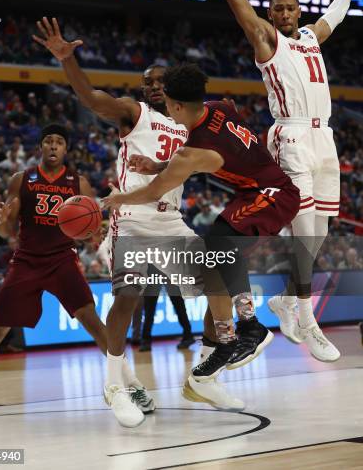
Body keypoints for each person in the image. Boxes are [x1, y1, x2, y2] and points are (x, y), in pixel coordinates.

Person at [157, 0, 357, 362]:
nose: (283, 13)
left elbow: (336, 18)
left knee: (320, 230)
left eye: (289, 6)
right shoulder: (267, 40)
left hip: (324, 138)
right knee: (303, 227)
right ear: (269, 14)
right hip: (290, 136)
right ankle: (306, 316)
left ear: (298, 9)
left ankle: (289, 300)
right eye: (276, 8)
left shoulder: (309, 37)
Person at [33, 18, 243, 428]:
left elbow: (210, 163)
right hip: (130, 218)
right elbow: (91, 97)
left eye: (160, 80)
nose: (153, 86)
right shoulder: (135, 113)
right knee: (127, 299)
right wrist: (68, 61)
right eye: (147, 81)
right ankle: (114, 384)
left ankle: (204, 373)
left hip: (172, 221)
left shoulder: (189, 126)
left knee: (220, 283)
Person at [104, 64, 300, 384]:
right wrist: (157, 164)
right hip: (251, 192)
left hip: (273, 193)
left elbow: (156, 189)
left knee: (220, 247)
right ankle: (227, 339)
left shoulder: (196, 144)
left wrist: (120, 199)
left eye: (168, 104)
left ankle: (251, 327)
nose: (166, 110)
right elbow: (224, 120)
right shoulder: (218, 107)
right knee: (216, 254)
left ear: (178, 105)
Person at [0, 125, 141, 417]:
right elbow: (7, 231)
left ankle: (132, 385)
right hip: (27, 260)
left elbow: (90, 228)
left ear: (66, 149)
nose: (53, 146)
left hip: (62, 261)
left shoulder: (78, 183)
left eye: (59, 142)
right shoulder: (22, 179)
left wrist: (91, 231)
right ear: (40, 147)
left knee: (92, 322)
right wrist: (2, 222)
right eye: (48, 141)